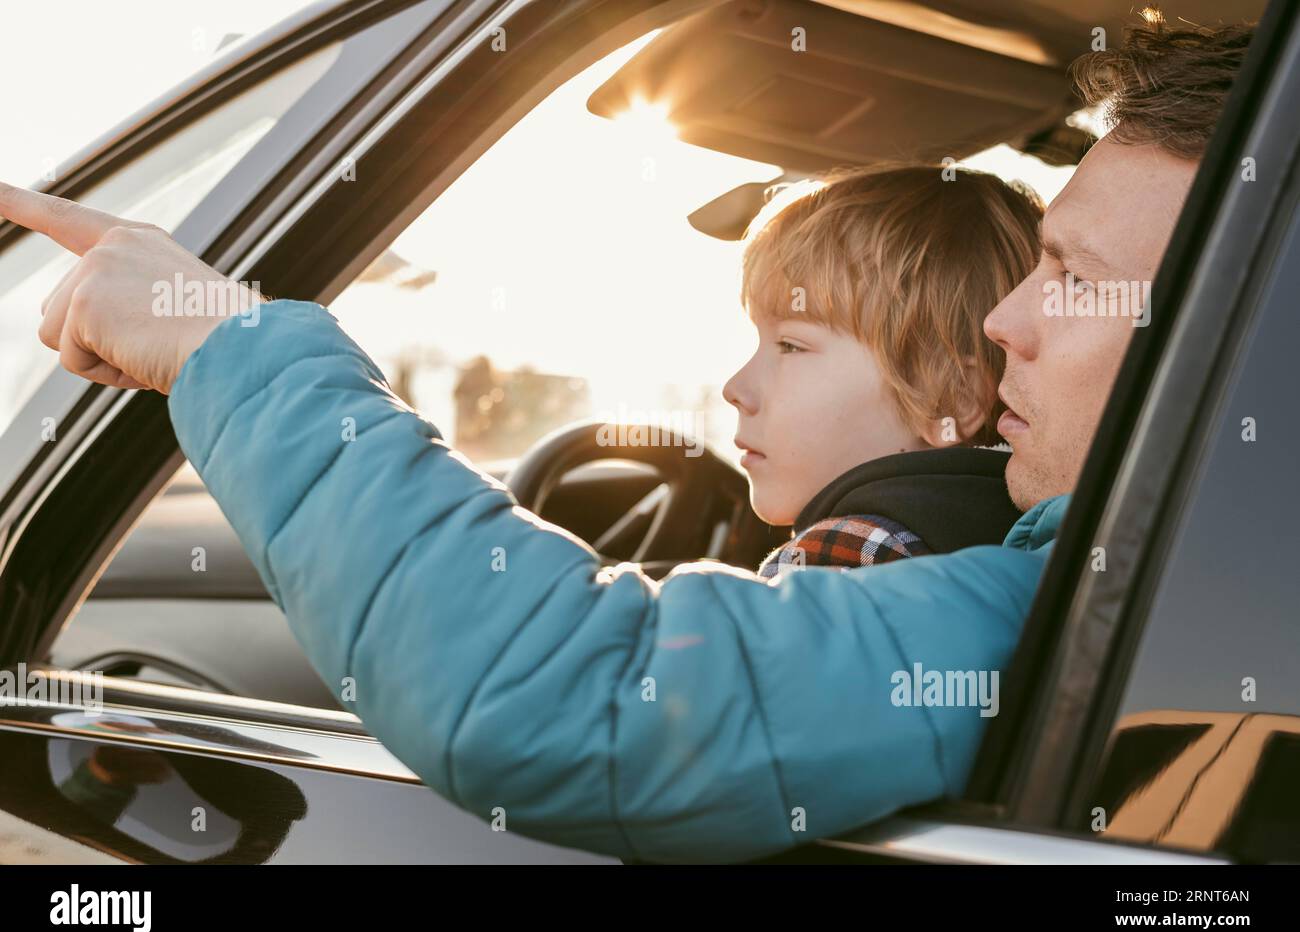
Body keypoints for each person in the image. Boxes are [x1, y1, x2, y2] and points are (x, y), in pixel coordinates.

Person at [0, 16, 1251, 862]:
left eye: (1072, 277)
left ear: (1222, 338)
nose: (1006, 323)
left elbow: (575, 691)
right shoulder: (1134, 584)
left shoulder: (994, 589)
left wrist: (221, 343)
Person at [723, 164, 1038, 578]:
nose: (735, 389)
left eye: (790, 345)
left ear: (951, 399)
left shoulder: (845, 556)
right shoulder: (1015, 539)